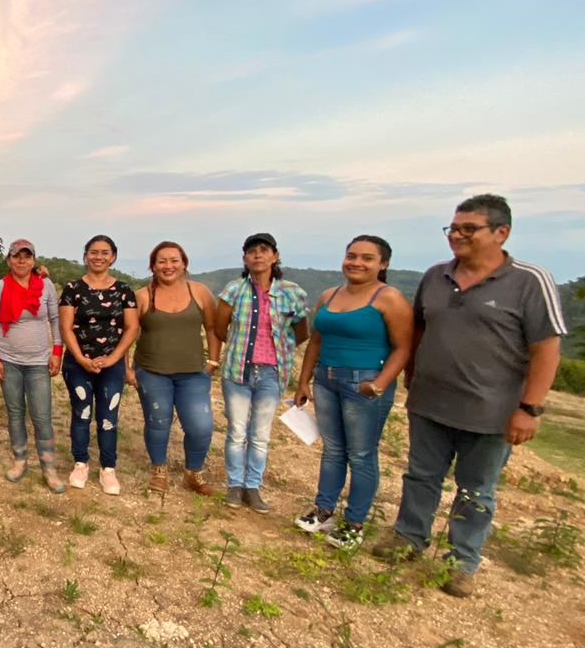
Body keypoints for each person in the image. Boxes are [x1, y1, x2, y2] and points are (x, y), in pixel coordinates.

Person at [371, 195, 565, 596]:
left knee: (476, 488)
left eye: (467, 229)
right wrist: (411, 373)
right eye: (453, 229)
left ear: (501, 232)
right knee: (421, 476)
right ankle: (409, 538)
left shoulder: (529, 281)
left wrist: (530, 408)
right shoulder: (435, 276)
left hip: (491, 410)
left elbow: (546, 347)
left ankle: (461, 562)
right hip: (429, 402)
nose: (457, 236)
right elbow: (419, 329)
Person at [292, 236, 412, 550]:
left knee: (361, 455)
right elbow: (316, 341)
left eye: (367, 258)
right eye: (351, 255)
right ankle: (324, 510)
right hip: (326, 379)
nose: (356, 262)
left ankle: (355, 523)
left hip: (365, 384)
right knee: (333, 450)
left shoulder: (389, 299)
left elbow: (403, 347)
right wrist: (304, 381)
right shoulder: (329, 295)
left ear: (383, 264)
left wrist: (381, 383)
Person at [214, 233, 309, 513]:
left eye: (264, 250)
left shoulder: (292, 292)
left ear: (275, 256)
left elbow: (302, 332)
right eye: (252, 251)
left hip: (271, 373)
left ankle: (252, 486)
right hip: (237, 371)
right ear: (244, 258)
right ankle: (235, 484)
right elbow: (221, 328)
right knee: (237, 431)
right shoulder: (233, 291)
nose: (258, 255)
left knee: (260, 433)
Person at [127, 241, 221, 499]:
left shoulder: (199, 292)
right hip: (151, 370)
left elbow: (213, 328)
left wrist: (213, 361)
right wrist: (127, 368)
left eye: (174, 260)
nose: (168, 266)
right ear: (153, 266)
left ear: (184, 263)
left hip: (193, 372)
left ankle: (194, 473)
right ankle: (159, 470)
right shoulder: (143, 296)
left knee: (200, 426)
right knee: (159, 422)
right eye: (161, 261)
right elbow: (129, 333)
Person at [58, 235, 140, 495]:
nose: (98, 257)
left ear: (113, 256)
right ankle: (80, 463)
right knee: (81, 413)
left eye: (105, 252)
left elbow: (132, 327)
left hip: (112, 365)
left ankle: (108, 469)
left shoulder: (124, 291)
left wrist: (114, 359)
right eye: (93, 252)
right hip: (77, 363)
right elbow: (65, 327)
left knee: (108, 417)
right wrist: (81, 358)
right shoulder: (72, 289)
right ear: (85, 255)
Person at [0, 239, 65, 493]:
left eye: (27, 256)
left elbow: (55, 320)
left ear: (33, 260)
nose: (22, 261)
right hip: (9, 361)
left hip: (39, 361)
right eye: (17, 256)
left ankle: (48, 466)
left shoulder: (46, 286)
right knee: (15, 413)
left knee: (42, 415)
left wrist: (56, 352)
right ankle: (20, 460)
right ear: (9, 260)